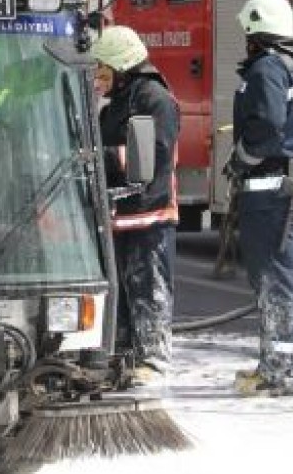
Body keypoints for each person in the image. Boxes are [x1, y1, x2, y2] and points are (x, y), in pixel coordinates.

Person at [226, 0, 293, 398]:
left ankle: (281, 372)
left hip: (268, 194)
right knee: (283, 278)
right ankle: (283, 365)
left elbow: (265, 124)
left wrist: (240, 161)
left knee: (274, 280)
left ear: (255, 30)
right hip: (289, 190)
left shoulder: (267, 68)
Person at [90, 25, 180, 387]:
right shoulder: (116, 105)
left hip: (149, 213)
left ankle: (152, 360)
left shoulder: (155, 100)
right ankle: (123, 354)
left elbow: (152, 154)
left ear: (122, 65)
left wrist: (101, 158)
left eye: (102, 70)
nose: (98, 78)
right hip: (118, 214)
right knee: (123, 291)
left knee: (149, 288)